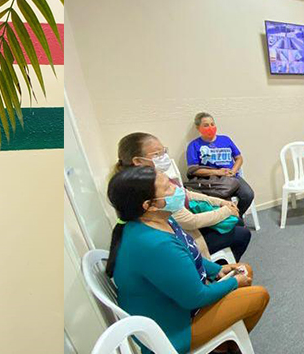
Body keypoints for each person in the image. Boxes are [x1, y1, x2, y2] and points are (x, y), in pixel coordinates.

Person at [105, 165, 268, 354]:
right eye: (167, 188)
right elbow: (196, 297)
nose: (176, 188)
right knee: (259, 296)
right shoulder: (155, 245)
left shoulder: (156, 219)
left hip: (177, 305)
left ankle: (223, 342)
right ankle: (223, 346)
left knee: (244, 269)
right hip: (173, 330)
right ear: (149, 204)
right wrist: (233, 282)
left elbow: (189, 252)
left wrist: (216, 270)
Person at [116, 132, 251, 261]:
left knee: (237, 220)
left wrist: (222, 203)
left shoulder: (157, 176)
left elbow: (186, 193)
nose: (164, 157)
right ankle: (222, 268)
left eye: (164, 151)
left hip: (186, 225)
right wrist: (226, 210)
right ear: (138, 161)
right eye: (157, 154)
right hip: (186, 237)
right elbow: (190, 221)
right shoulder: (146, 190)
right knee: (242, 234)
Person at [186, 112, 255, 214]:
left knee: (248, 195)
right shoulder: (194, 145)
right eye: (206, 125)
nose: (210, 127)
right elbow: (194, 170)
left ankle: (237, 217)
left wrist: (233, 171)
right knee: (225, 204)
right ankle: (232, 222)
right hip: (213, 181)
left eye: (212, 124)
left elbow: (239, 158)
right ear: (198, 128)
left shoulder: (225, 139)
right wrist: (218, 172)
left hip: (231, 177)